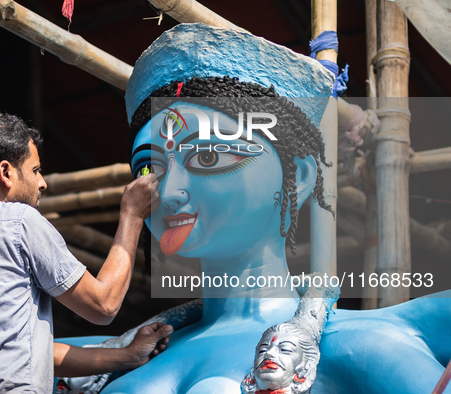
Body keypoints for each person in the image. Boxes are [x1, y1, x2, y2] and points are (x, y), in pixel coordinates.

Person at [68, 23, 450, 394]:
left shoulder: (364, 345)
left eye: (207, 156)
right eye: (150, 168)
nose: (168, 192)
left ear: (299, 176)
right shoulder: (103, 357)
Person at [0, 68, 172, 393]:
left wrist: (127, 356)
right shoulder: (18, 221)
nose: (42, 182)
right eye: (35, 170)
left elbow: (31, 351)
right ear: (5, 172)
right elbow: (103, 305)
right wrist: (132, 215)